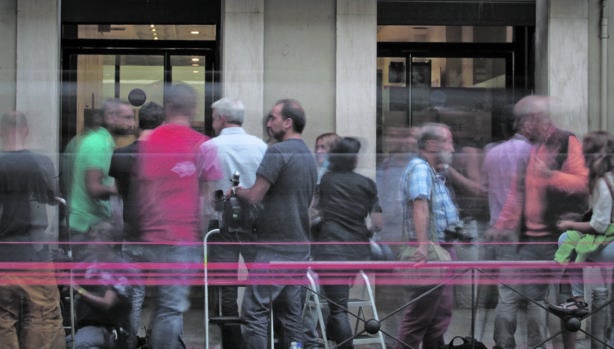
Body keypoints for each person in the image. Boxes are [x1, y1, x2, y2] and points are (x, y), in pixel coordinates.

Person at [487, 95, 589, 349]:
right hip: (525, 238)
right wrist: (501, 226)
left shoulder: (566, 141)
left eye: (522, 120)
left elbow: (581, 183)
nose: (520, 126)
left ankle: (538, 346)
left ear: (535, 119)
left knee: (541, 299)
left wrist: (551, 175)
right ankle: (508, 345)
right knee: (522, 296)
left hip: (555, 237)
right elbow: (517, 192)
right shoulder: (533, 149)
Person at [136, 83, 221, 349]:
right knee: (171, 309)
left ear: (167, 107)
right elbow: (209, 199)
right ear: (194, 108)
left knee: (163, 306)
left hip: (155, 236)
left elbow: (145, 190)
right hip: (183, 238)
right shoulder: (202, 144)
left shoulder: (152, 141)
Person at [234, 98, 317, 349]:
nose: (268, 123)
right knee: (291, 315)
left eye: (273, 118)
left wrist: (235, 190)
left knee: (255, 311)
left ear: (288, 122)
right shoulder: (308, 156)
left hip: (275, 247)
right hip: (300, 246)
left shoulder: (278, 152)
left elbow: (254, 196)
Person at [199, 97, 267, 349]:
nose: (213, 122)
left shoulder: (209, 147)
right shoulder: (260, 146)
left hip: (220, 224)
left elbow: (204, 189)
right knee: (259, 281)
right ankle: (260, 336)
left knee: (224, 285)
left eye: (215, 117)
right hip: (255, 223)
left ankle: (232, 342)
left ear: (222, 119)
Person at [0, 111, 66, 349]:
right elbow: (54, 198)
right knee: (42, 316)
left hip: (2, 253)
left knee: (3, 318)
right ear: (26, 130)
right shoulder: (41, 163)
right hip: (33, 252)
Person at [311, 136, 383, 349]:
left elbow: (315, 211)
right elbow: (378, 223)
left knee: (338, 309)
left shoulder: (327, 181)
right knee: (339, 302)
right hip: (357, 252)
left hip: (331, 250)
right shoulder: (367, 184)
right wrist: (364, 232)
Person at [395, 122, 460, 349]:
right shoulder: (421, 169)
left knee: (438, 315)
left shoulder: (435, 171)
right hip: (431, 251)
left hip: (440, 249)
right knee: (420, 316)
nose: (452, 148)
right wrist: (423, 247)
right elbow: (419, 205)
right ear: (432, 144)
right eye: (448, 142)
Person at [109, 101, 164, 349]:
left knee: (134, 297)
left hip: (132, 235)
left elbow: (118, 199)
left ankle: (129, 343)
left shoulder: (121, 155)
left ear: (139, 124)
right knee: (167, 300)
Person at [550, 131, 614, 316]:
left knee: (566, 239)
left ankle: (578, 300)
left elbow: (599, 226)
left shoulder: (603, 183)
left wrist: (571, 225)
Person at [69, 99, 135, 259]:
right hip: (89, 227)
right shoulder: (97, 145)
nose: (132, 123)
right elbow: (94, 187)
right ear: (111, 117)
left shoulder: (102, 142)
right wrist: (126, 188)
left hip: (92, 225)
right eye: (127, 118)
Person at [66, 222, 132, 349]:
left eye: (98, 237)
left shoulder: (118, 268)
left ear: (111, 242)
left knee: (72, 345)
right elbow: (71, 278)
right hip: (84, 327)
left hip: (105, 329)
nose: (93, 239)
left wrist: (78, 290)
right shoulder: (90, 262)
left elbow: (107, 303)